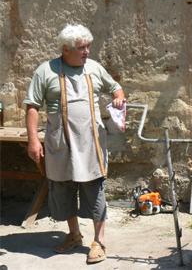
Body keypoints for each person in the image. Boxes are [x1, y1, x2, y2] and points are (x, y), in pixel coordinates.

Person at [24, 24, 125, 264]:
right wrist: (32, 140)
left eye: (88, 46)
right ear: (66, 49)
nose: (87, 51)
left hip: (91, 141)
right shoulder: (46, 71)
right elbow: (32, 106)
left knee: (94, 188)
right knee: (64, 187)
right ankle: (74, 234)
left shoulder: (94, 68)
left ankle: (99, 242)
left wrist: (119, 98)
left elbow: (116, 88)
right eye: (81, 48)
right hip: (60, 140)